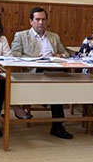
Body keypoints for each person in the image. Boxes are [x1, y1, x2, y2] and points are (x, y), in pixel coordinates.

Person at [10, 7, 73, 139]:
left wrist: (58, 54)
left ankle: (57, 124)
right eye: (37, 19)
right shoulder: (21, 36)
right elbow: (15, 54)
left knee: (58, 79)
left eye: (43, 19)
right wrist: (35, 57)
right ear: (31, 21)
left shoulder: (54, 37)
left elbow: (65, 53)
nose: (41, 22)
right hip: (33, 72)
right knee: (56, 83)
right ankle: (58, 125)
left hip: (54, 70)